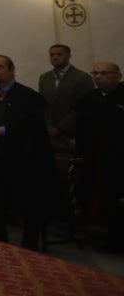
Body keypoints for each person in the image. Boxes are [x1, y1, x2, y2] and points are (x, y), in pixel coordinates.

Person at [0, 55, 51, 250]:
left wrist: (1, 131)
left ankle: (29, 242)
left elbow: (30, 125)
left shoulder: (27, 96)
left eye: (0, 67)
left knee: (27, 200)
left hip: (21, 158)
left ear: (12, 70)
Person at [74, 63, 124, 252]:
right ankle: (109, 235)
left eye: (104, 73)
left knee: (117, 198)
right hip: (95, 157)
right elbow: (81, 128)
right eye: (95, 73)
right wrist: (80, 153)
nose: (99, 76)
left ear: (118, 76)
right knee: (100, 197)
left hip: (118, 157)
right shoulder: (91, 97)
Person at [37, 44, 94, 151]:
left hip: (74, 132)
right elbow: (43, 104)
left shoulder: (82, 77)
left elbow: (83, 107)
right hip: (50, 133)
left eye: (59, 54)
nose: (55, 57)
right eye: (52, 55)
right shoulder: (44, 78)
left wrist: (61, 128)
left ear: (68, 56)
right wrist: (48, 126)